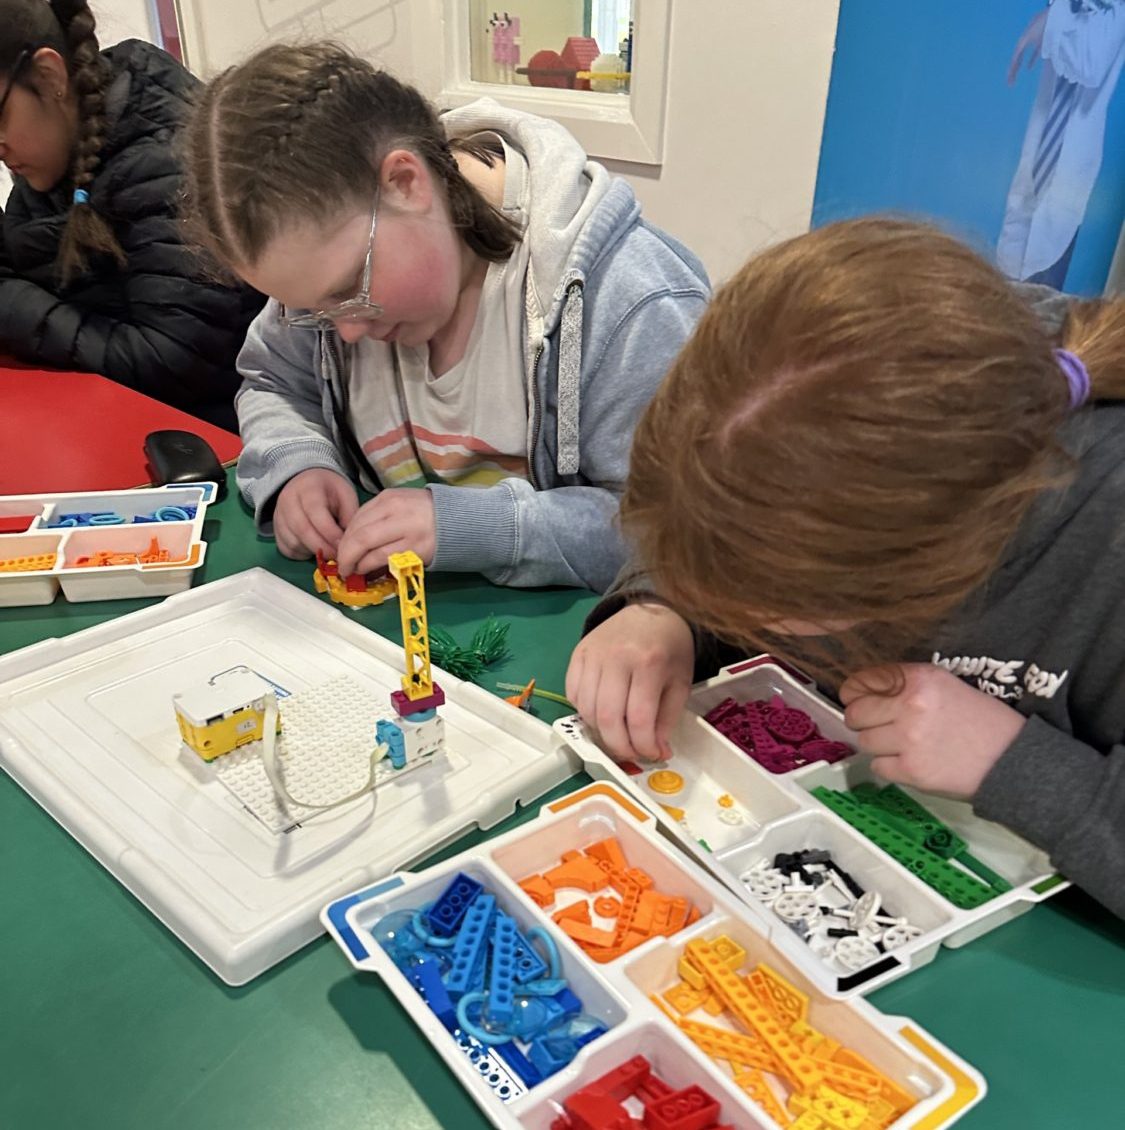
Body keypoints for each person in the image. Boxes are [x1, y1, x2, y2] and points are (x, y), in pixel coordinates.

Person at [568, 217, 1125, 918]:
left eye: (765, 597)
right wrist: (662, 607)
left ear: (923, 563)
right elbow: (716, 524)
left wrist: (1010, 761)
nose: (736, 611)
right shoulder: (805, 428)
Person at [180, 42, 709, 591]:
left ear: (407, 183)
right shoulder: (324, 275)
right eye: (309, 311)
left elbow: (686, 532)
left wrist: (486, 527)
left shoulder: (630, 302)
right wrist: (296, 462)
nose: (348, 330)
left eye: (348, 291)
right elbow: (273, 380)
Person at [0, 0, 265, 430]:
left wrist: (12, 308)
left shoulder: (164, 159)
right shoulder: (55, 149)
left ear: (49, 76)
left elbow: (169, 362)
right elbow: (24, 266)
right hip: (115, 417)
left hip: (219, 440)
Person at [997, 0, 1125, 288]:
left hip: (1068, 185)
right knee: (1004, 295)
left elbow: (1091, 62)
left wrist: (1051, 24)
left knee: (1044, 305)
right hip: (1035, 168)